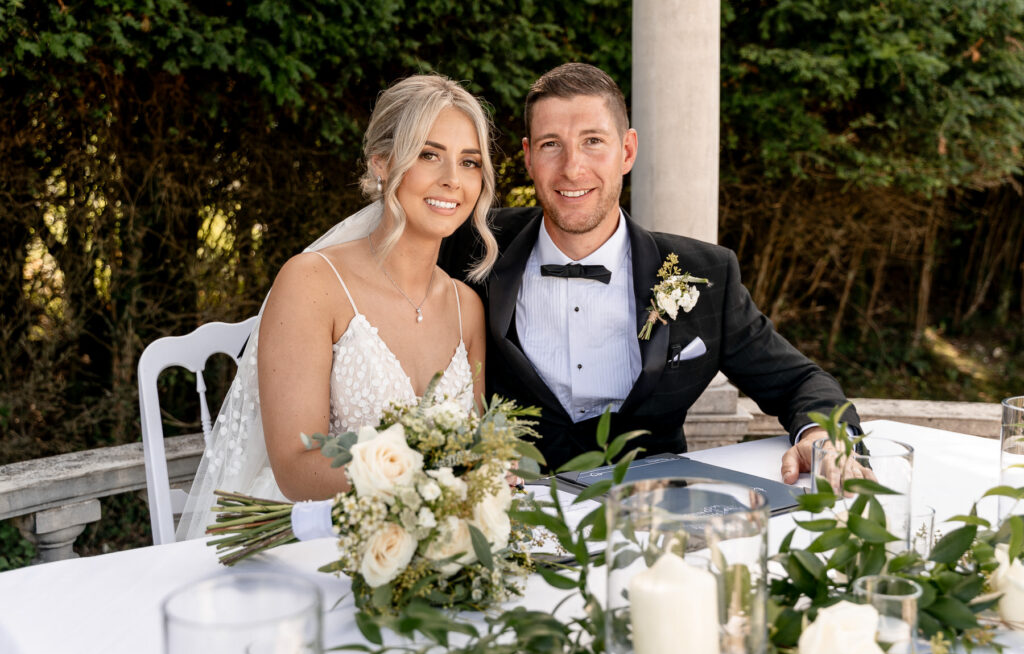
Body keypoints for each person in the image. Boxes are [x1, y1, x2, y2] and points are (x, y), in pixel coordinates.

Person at [439, 63, 860, 481]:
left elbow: (800, 381)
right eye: (552, 144)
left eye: (592, 141)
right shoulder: (469, 242)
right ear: (529, 157)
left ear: (627, 151)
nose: (572, 168)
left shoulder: (706, 274)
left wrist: (822, 436)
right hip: (510, 512)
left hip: (652, 516)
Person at [177, 74, 497, 540]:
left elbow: (476, 451)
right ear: (382, 164)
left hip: (435, 535)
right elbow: (293, 469)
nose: (452, 179)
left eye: (469, 162)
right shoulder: (311, 282)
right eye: (429, 155)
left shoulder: (466, 307)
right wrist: (422, 474)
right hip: (312, 536)